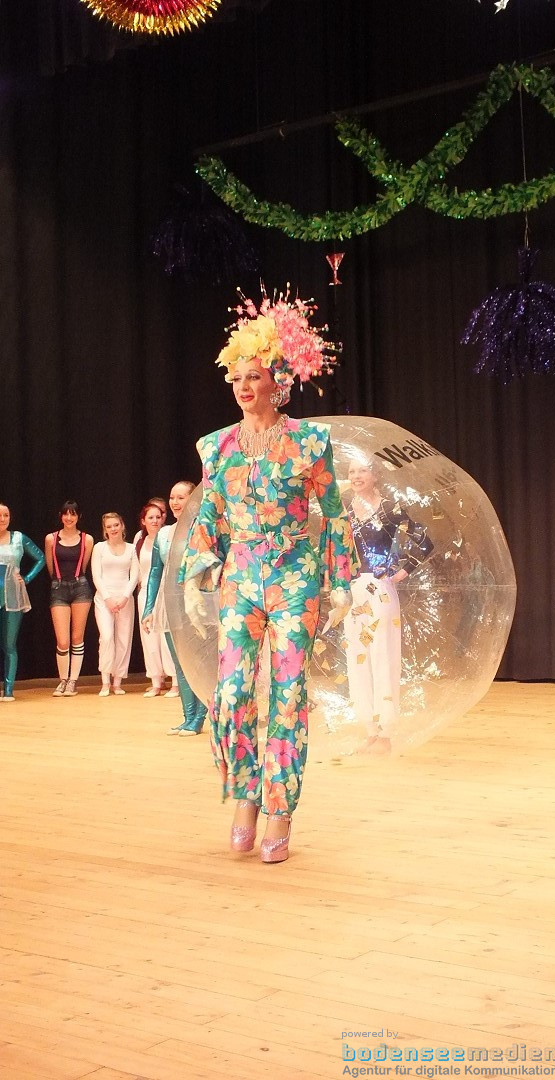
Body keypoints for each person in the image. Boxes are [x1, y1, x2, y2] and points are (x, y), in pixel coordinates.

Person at [179, 288, 359, 863]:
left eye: (253, 376)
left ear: (277, 380)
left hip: (296, 577)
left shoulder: (309, 441)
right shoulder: (216, 447)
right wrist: (197, 572)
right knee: (231, 692)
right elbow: (209, 512)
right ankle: (244, 794)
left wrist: (340, 581)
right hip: (240, 578)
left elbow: (333, 512)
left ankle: (279, 808)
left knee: (287, 694)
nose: (243, 385)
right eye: (235, 377)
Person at [346, 454, 435, 752]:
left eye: (362, 470)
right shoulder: (345, 510)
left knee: (383, 655)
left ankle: (385, 732)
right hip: (353, 591)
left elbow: (425, 542)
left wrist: (401, 572)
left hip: (380, 590)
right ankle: (369, 730)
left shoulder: (389, 508)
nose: (356, 476)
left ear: (375, 475)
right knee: (357, 658)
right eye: (352, 471)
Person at [141, 482, 206, 733]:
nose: (175, 502)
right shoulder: (164, 534)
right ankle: (188, 717)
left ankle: (199, 718)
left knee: (198, 662)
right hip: (170, 603)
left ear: (193, 499)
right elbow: (155, 573)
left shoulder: (202, 528)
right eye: (172, 498)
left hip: (196, 602)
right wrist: (149, 609)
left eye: (181, 497)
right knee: (180, 664)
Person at [45, 501, 94, 697]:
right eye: (65, 514)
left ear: (78, 517)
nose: (69, 518)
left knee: (77, 638)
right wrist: (59, 580)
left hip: (80, 587)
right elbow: (50, 566)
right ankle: (62, 680)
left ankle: (73, 681)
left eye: (73, 514)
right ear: (61, 516)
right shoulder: (51, 538)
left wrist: (74, 579)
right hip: (58, 588)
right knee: (63, 641)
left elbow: (84, 567)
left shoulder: (87, 539)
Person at [0, 503, 45, 701]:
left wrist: (26, 578)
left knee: (9, 645)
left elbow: (41, 558)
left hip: (13, 596)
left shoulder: (19, 538)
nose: (2, 519)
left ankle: (8, 690)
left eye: (6, 515)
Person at [91, 512, 139, 696]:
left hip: (125, 599)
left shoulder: (131, 549)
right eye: (109, 526)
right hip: (104, 599)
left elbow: (134, 576)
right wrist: (108, 598)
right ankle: (105, 681)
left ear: (122, 525)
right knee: (107, 637)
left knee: (123, 639)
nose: (113, 529)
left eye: (116, 525)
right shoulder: (99, 548)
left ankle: (117, 682)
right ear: (105, 529)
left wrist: (125, 597)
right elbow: (96, 576)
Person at [135, 501, 177, 697]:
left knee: (167, 638)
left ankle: (175, 682)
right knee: (149, 639)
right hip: (146, 593)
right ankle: (156, 682)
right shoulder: (140, 541)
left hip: (165, 591)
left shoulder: (168, 537)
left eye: (158, 517)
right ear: (143, 521)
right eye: (150, 517)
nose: (154, 521)